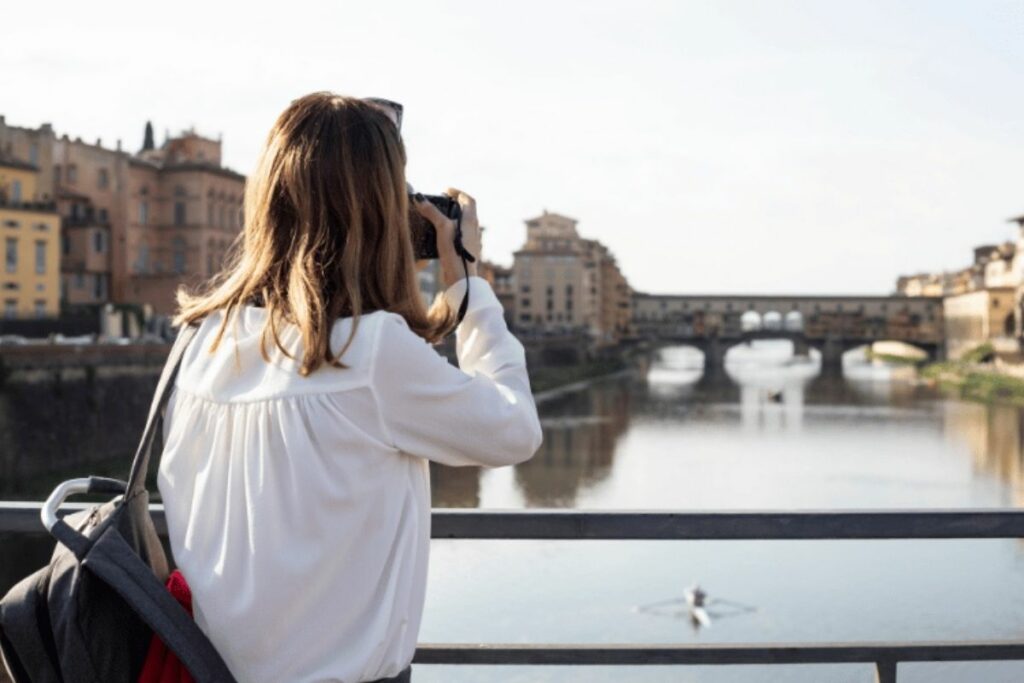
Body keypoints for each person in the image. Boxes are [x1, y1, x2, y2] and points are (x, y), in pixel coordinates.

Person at [157, 91, 543, 683]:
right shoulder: (371, 354)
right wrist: (468, 283)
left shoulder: (200, 341)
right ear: (381, 211)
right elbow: (514, 431)